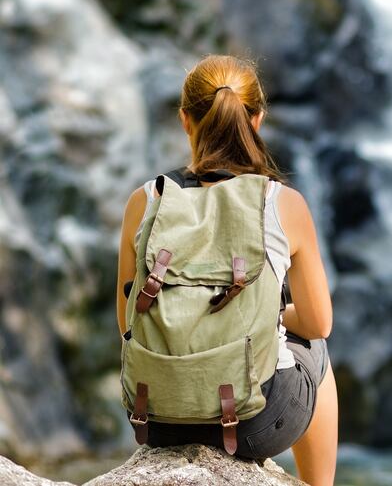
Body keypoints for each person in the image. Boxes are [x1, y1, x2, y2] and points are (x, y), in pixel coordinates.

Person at [116, 54, 337, 486]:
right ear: (256, 120)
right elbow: (318, 322)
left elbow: (127, 319)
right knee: (315, 348)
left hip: (158, 416)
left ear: (185, 120)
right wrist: (273, 315)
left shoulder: (146, 202)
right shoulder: (282, 203)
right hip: (253, 423)